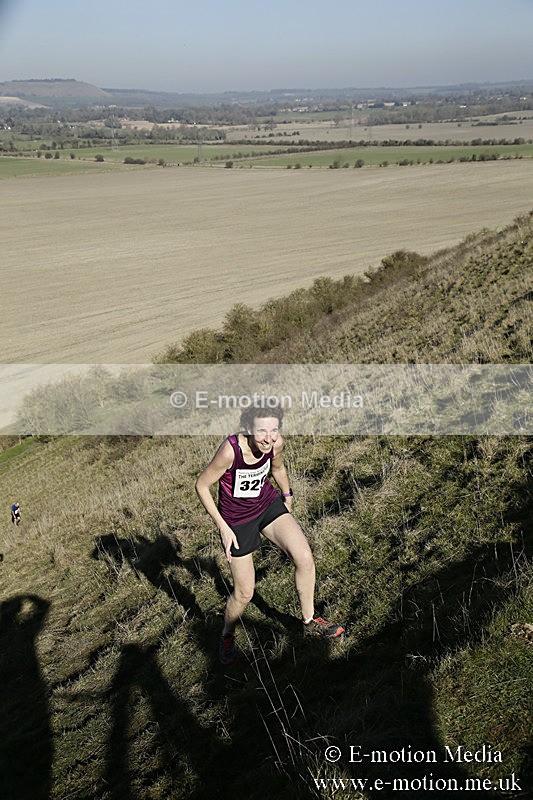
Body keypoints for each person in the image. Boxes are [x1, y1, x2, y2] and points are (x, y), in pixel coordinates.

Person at [195, 406, 344, 665]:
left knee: (304, 557)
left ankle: (309, 621)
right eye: (262, 431)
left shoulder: (275, 444)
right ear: (249, 429)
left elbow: (278, 468)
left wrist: (287, 495)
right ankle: (227, 635)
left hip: (266, 505)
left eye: (274, 430)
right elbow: (202, 485)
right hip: (236, 522)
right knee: (245, 593)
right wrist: (222, 526)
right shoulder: (231, 450)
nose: (268, 437)